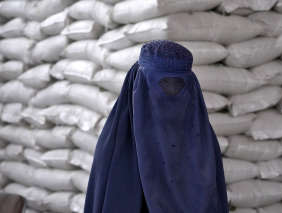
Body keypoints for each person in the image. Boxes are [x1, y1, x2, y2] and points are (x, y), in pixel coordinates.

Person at [83, 39, 229, 213]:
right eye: (163, 84)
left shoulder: (203, 143)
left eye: (178, 85)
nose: (171, 92)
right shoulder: (116, 149)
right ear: (138, 82)